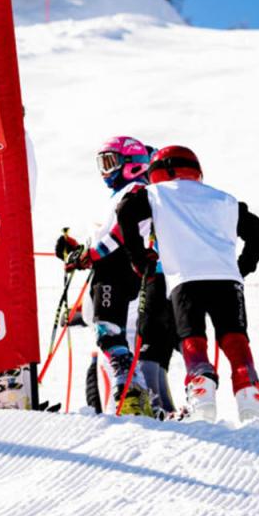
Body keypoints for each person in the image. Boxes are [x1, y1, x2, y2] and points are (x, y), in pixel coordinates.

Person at [113, 145, 259, 422]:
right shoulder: (225, 199)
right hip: (226, 279)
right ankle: (250, 400)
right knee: (235, 340)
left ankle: (202, 399)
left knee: (193, 339)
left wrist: (140, 258)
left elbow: (124, 211)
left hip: (185, 279)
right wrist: (241, 267)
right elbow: (258, 236)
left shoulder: (155, 193)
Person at [56, 136, 178, 417]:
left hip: (118, 270)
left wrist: (91, 254)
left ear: (132, 164)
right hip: (116, 270)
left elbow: (121, 233)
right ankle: (137, 399)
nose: (105, 171)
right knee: (117, 337)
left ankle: (130, 394)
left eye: (110, 162)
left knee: (111, 334)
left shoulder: (136, 190)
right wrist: (76, 251)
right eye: (101, 163)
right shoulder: (120, 195)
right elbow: (103, 235)